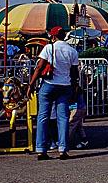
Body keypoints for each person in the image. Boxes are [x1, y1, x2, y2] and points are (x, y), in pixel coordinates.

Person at [26, 26, 79, 160]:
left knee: (43, 116)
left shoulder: (49, 48)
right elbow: (74, 73)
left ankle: (41, 149)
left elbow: (39, 67)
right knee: (63, 118)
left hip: (49, 85)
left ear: (53, 36)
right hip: (65, 86)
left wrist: (31, 84)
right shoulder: (72, 51)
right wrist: (74, 87)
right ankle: (63, 149)